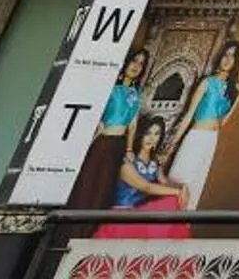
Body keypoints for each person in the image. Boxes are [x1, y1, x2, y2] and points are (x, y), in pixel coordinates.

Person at [70, 50, 149, 210]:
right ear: (126, 61)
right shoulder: (110, 87)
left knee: (104, 190)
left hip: (118, 146)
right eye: (134, 60)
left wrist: (128, 149)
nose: (136, 66)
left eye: (141, 64)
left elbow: (132, 125)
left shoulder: (136, 93)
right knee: (87, 185)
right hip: (102, 143)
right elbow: (97, 120)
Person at [170, 36, 239, 206]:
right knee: (179, 180)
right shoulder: (207, 82)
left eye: (232, 56)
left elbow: (223, 122)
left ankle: (179, 229)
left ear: (236, 61)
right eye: (225, 55)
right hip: (195, 137)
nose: (227, 59)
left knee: (196, 185)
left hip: (211, 140)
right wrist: (173, 143)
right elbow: (189, 115)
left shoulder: (238, 90)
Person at [101, 114, 191, 239]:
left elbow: (164, 183)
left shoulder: (154, 163)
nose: (152, 138)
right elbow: (146, 187)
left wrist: (182, 187)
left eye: (156, 134)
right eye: (148, 133)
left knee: (174, 199)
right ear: (140, 135)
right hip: (122, 216)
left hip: (140, 214)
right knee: (173, 197)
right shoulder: (127, 162)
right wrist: (177, 191)